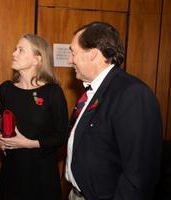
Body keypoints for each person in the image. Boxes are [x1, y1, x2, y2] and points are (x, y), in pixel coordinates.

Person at [65, 21, 163, 200]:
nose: (69, 60)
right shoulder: (93, 91)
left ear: (93, 54)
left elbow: (138, 174)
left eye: (73, 52)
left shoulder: (132, 94)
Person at [0, 33, 69, 200]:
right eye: (15, 49)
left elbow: (62, 136)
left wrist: (29, 143)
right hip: (11, 174)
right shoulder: (4, 90)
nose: (14, 53)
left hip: (42, 176)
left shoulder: (52, 92)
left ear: (37, 59)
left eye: (21, 50)